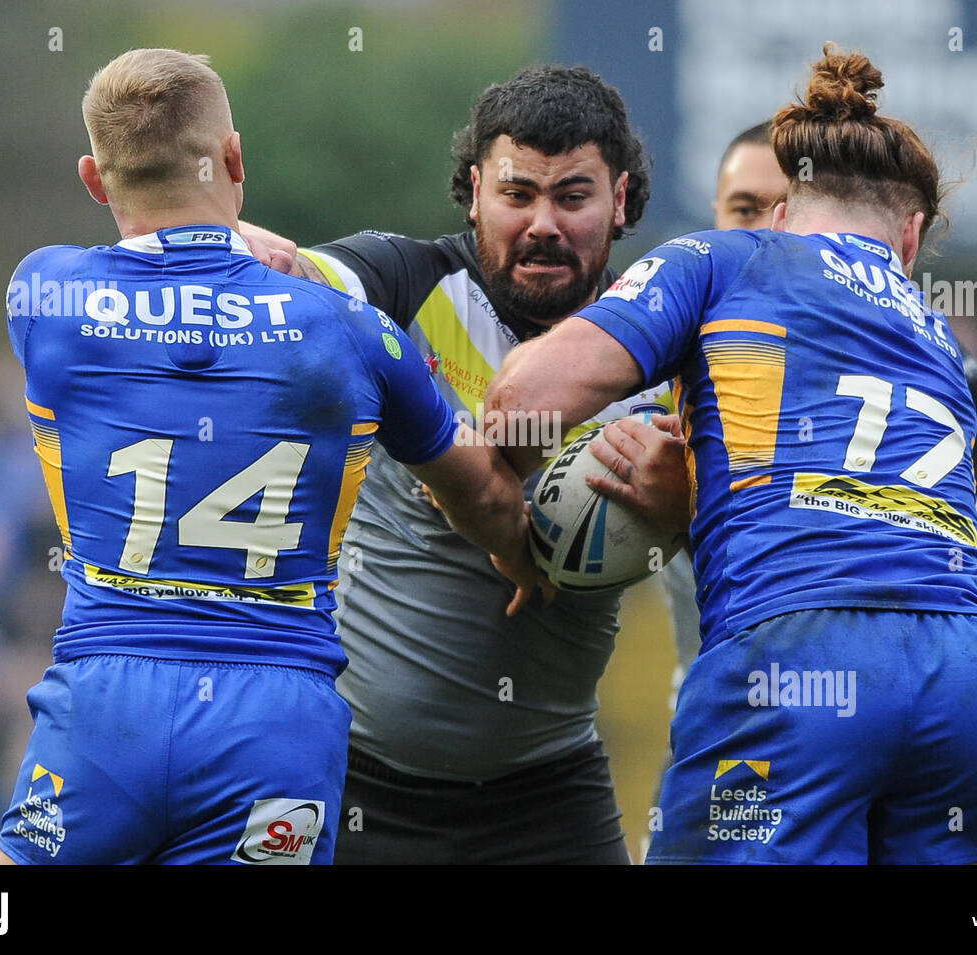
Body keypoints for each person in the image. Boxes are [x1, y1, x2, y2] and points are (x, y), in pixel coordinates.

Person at [487, 44, 977, 864]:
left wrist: (515, 501)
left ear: (785, 212)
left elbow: (519, 403)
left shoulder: (725, 260)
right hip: (967, 673)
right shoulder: (940, 338)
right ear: (911, 234)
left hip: (795, 663)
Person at [0, 48, 530, 865]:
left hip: (104, 710)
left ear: (94, 181)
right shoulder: (354, 332)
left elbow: (168, 272)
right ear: (235, 158)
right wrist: (528, 554)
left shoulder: (44, 296)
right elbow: (485, 495)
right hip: (274, 723)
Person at [243, 65, 671, 864]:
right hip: (350, 778)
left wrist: (679, 497)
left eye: (572, 197)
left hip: (548, 797)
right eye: (517, 194)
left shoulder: (660, 342)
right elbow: (290, 279)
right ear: (474, 192)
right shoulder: (406, 284)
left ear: (619, 201)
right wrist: (238, 243)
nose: (543, 222)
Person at [620, 117, 977, 863]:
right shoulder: (666, 346)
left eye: (777, 210)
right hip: (732, 718)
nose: (771, 236)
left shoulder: (955, 377)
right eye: (741, 211)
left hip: (829, 708)